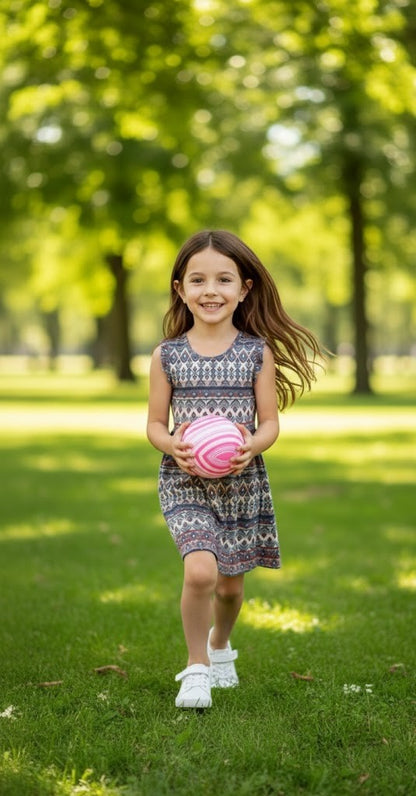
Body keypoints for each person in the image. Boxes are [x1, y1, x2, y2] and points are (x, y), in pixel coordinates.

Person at [146, 229, 322, 709]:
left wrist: (252, 444)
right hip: (185, 481)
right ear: (180, 289)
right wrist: (173, 444)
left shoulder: (255, 352)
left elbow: (269, 424)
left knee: (230, 585)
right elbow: (155, 425)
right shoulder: (167, 356)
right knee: (201, 572)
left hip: (241, 484)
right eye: (197, 279)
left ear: (244, 288)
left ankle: (221, 646)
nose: (210, 290)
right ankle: (196, 668)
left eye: (224, 279)